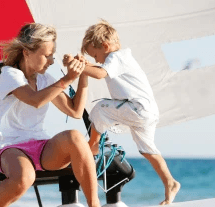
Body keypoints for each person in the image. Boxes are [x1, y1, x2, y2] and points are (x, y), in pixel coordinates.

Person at [0, 23, 100, 207]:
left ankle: (94, 204)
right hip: (11, 147)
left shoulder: (44, 79)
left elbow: (75, 111)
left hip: (41, 147)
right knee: (25, 177)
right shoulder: (10, 75)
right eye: (47, 55)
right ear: (26, 52)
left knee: (75, 136)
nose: (51, 61)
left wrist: (83, 74)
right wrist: (67, 79)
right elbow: (35, 100)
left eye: (53, 55)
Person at [76, 19, 180, 205]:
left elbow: (100, 74)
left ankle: (92, 147)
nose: (96, 60)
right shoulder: (122, 58)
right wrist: (85, 64)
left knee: (100, 108)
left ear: (106, 46)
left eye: (95, 55)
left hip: (137, 109)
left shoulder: (115, 58)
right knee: (148, 150)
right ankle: (170, 182)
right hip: (147, 111)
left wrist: (81, 66)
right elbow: (98, 69)